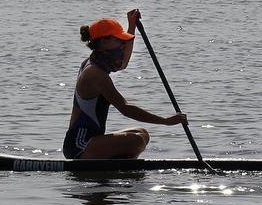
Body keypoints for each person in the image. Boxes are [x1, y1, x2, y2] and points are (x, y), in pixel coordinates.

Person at [63, 9, 187, 160]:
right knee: (137, 141)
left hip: (92, 141)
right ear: (103, 42)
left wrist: (132, 26)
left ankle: (115, 166)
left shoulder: (97, 61)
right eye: (118, 40)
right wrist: (165, 121)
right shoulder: (95, 74)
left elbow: (122, 64)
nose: (122, 44)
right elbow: (125, 108)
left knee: (142, 134)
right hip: (79, 146)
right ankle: (118, 169)